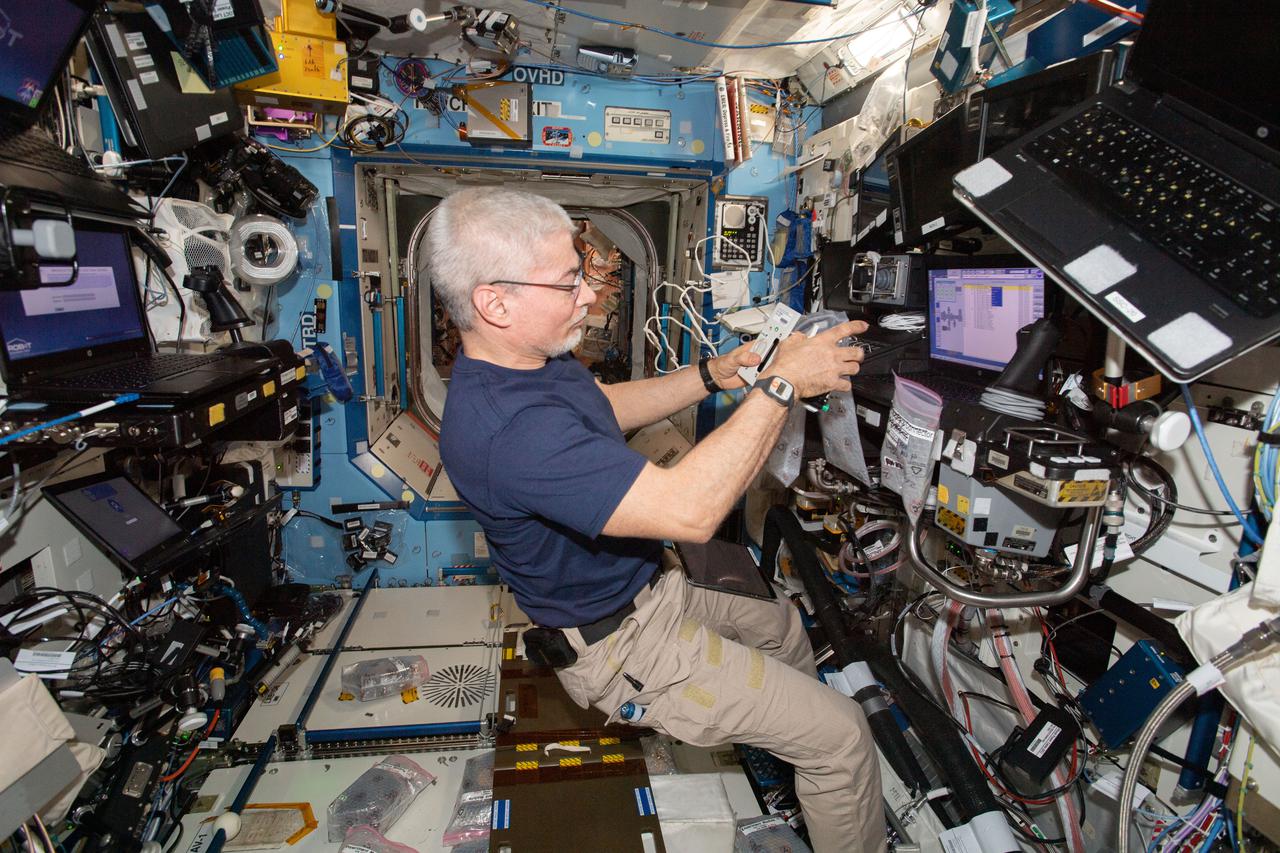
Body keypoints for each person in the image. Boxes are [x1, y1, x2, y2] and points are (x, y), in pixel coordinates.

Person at [429, 187, 884, 852]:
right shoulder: (507, 431)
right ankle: (826, 766)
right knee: (843, 736)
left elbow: (601, 409)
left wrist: (714, 373)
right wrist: (781, 384)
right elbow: (692, 512)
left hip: (655, 594)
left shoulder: (533, 360)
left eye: (581, 270)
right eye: (567, 281)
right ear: (495, 302)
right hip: (626, 650)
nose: (588, 294)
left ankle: (802, 778)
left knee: (786, 629)